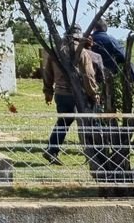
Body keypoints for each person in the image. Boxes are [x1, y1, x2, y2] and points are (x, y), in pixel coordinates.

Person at [42, 26, 99, 164]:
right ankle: (93, 154)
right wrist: (93, 93)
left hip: (60, 93)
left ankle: (51, 149)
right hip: (77, 93)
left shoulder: (56, 50)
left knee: (63, 122)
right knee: (88, 123)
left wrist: (48, 91)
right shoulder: (81, 51)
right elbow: (88, 75)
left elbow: (47, 72)